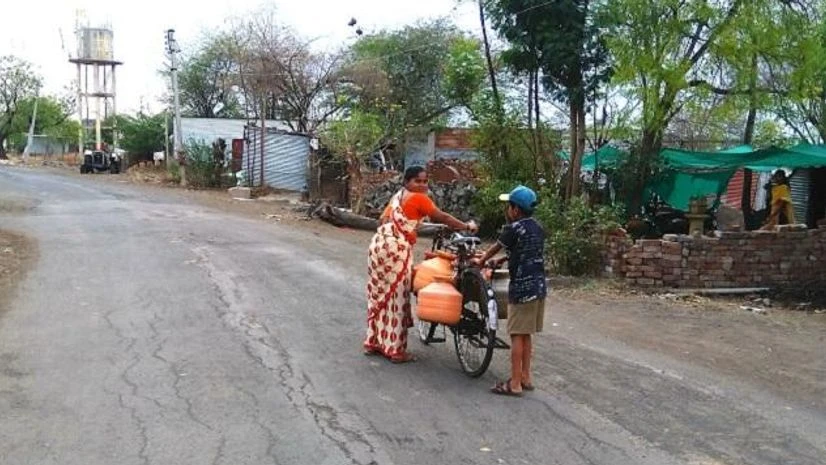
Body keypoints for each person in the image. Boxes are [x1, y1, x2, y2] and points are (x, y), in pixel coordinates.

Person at [363, 166, 477, 363]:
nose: (423, 185)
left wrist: (411, 226)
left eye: (425, 182)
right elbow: (442, 217)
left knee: (382, 296)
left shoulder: (398, 197)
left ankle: (374, 342)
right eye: (418, 181)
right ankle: (396, 351)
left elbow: (383, 220)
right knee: (397, 298)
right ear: (407, 182)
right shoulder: (419, 198)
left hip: (378, 248)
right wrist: (467, 226)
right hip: (395, 250)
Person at [473, 185, 546, 396]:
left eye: (508, 206)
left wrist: (482, 261)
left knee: (516, 334)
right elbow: (524, 250)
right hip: (539, 286)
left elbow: (496, 247)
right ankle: (525, 376)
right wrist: (504, 260)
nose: (507, 210)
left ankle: (514, 384)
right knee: (526, 333)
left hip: (522, 288)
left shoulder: (512, 229)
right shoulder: (537, 227)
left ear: (515, 210)